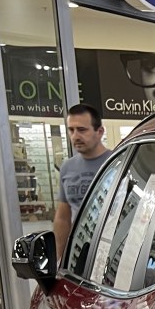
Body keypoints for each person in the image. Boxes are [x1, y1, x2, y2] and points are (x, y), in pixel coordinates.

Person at [53, 103, 109, 250]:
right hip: (79, 252)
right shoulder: (67, 168)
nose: (75, 136)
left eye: (82, 130)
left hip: (110, 249)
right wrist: (59, 257)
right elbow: (63, 217)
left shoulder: (117, 163)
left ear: (100, 131)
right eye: (71, 130)